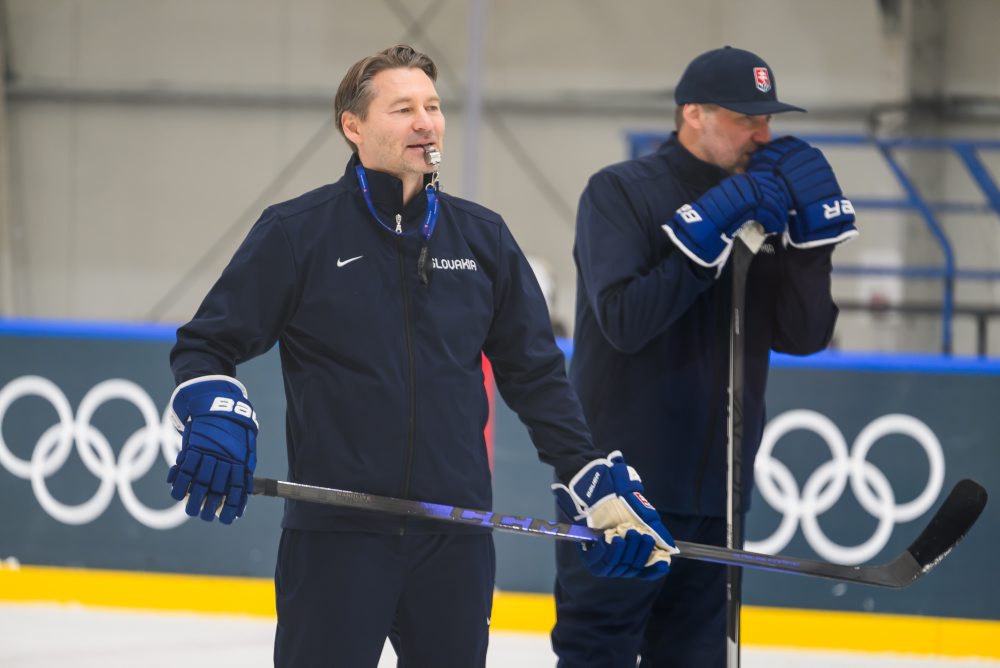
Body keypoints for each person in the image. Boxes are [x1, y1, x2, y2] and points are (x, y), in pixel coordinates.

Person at [165, 45, 677, 668]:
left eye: (432, 107)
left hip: (455, 537)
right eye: (403, 108)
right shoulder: (298, 232)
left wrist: (587, 474)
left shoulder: (482, 238)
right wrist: (213, 404)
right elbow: (207, 343)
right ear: (353, 127)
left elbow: (535, 375)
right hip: (337, 537)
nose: (425, 122)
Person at [552, 46, 858, 667]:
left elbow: (802, 335)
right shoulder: (619, 193)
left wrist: (809, 248)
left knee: (695, 659)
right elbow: (624, 322)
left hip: (720, 493)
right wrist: (702, 240)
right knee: (598, 651)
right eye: (747, 119)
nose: (763, 134)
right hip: (622, 489)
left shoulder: (765, 204)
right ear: (693, 112)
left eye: (768, 119)